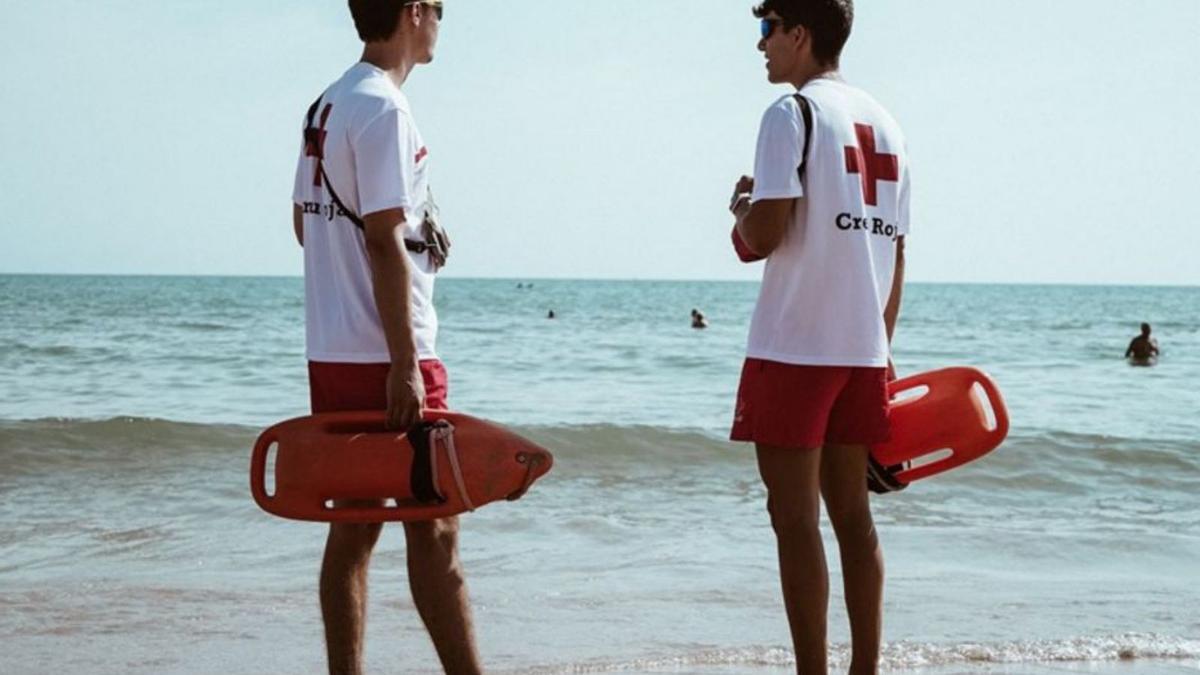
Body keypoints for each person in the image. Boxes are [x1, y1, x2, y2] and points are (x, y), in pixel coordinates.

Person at [290, 2, 483, 674]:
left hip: (334, 348)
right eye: (439, 6)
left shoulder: (328, 103)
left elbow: (305, 225)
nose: (443, 19)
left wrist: (413, 240)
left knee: (354, 528)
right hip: (389, 354)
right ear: (412, 11)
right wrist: (405, 363)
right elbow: (377, 237)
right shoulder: (386, 110)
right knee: (435, 527)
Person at [727, 1, 909, 672]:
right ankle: (866, 666)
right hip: (862, 348)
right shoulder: (886, 122)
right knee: (854, 520)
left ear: (799, 34)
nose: (761, 46)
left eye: (767, 29)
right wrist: (881, 351)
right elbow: (897, 254)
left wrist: (742, 211)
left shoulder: (790, 114)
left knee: (794, 518)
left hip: (796, 344)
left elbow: (765, 234)